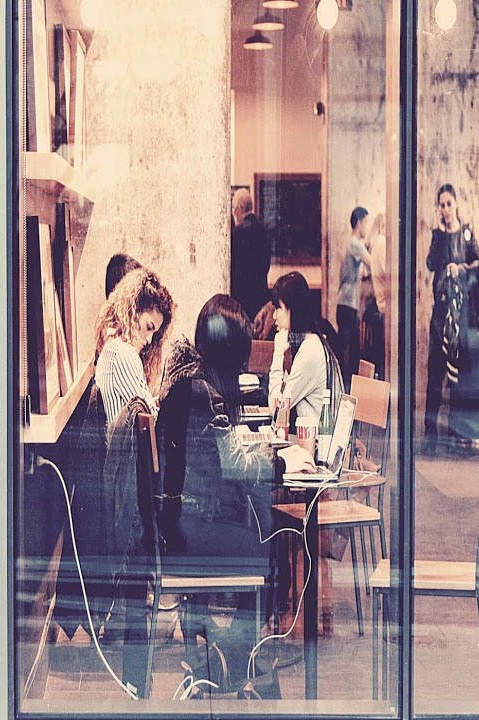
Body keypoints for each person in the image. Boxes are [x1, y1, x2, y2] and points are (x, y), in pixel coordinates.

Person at [155, 294, 290, 694]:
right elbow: (232, 465)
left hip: (181, 523)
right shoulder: (205, 394)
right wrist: (274, 461)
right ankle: (238, 653)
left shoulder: (190, 383)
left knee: (264, 526)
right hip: (192, 531)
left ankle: (228, 651)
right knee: (273, 549)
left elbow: (219, 456)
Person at [422, 183, 479, 456]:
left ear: (456, 204)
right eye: (442, 205)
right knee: (434, 376)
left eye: (449, 204)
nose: (446, 209)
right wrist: (440, 233)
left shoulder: (467, 234)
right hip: (440, 316)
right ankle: (430, 437)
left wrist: (460, 268)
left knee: (457, 378)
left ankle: (454, 436)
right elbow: (430, 263)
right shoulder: (438, 235)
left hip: (461, 317)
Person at [93, 268, 176, 425]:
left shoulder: (113, 348)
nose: (149, 340)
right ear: (135, 311)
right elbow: (150, 419)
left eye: (154, 333)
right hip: (129, 441)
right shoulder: (122, 353)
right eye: (149, 327)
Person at [268, 272, 345, 428]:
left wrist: (278, 354)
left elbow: (276, 410)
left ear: (291, 310)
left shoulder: (310, 352)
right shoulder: (312, 342)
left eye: (278, 308)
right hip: (311, 435)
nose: (274, 316)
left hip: (317, 440)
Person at [334, 207, 373, 378]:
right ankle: (346, 387)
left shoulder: (351, 244)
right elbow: (372, 261)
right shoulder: (355, 244)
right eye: (366, 222)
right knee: (350, 352)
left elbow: (362, 271)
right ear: (359, 223)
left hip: (346, 304)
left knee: (349, 349)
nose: (367, 227)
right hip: (347, 304)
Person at [229, 188, 271, 323]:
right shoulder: (263, 230)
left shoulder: (238, 233)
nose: (234, 213)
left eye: (234, 209)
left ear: (240, 208)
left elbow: (235, 269)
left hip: (242, 298)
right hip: (260, 294)